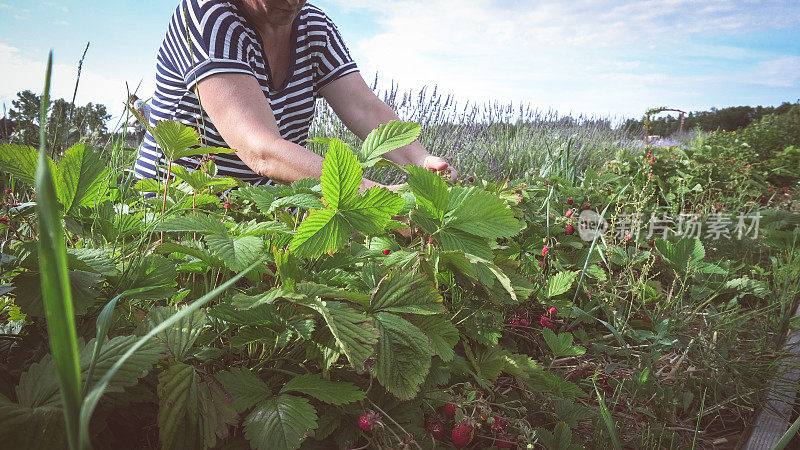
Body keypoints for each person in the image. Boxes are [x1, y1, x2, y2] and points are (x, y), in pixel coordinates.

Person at [133, 0, 456, 191]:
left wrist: (420, 160)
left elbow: (364, 107)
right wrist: (371, 195)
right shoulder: (207, 17)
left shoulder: (312, 25)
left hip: (260, 207)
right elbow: (262, 151)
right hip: (177, 206)